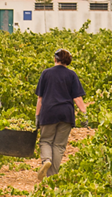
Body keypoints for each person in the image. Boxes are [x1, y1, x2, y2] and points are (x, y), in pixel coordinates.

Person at [35, 48, 87, 180]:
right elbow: (77, 98)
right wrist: (84, 114)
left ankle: (46, 160)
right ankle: (52, 176)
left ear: (55, 59)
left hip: (49, 112)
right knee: (59, 145)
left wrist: (37, 116)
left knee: (46, 140)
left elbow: (40, 99)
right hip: (66, 114)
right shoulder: (71, 75)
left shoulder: (46, 74)